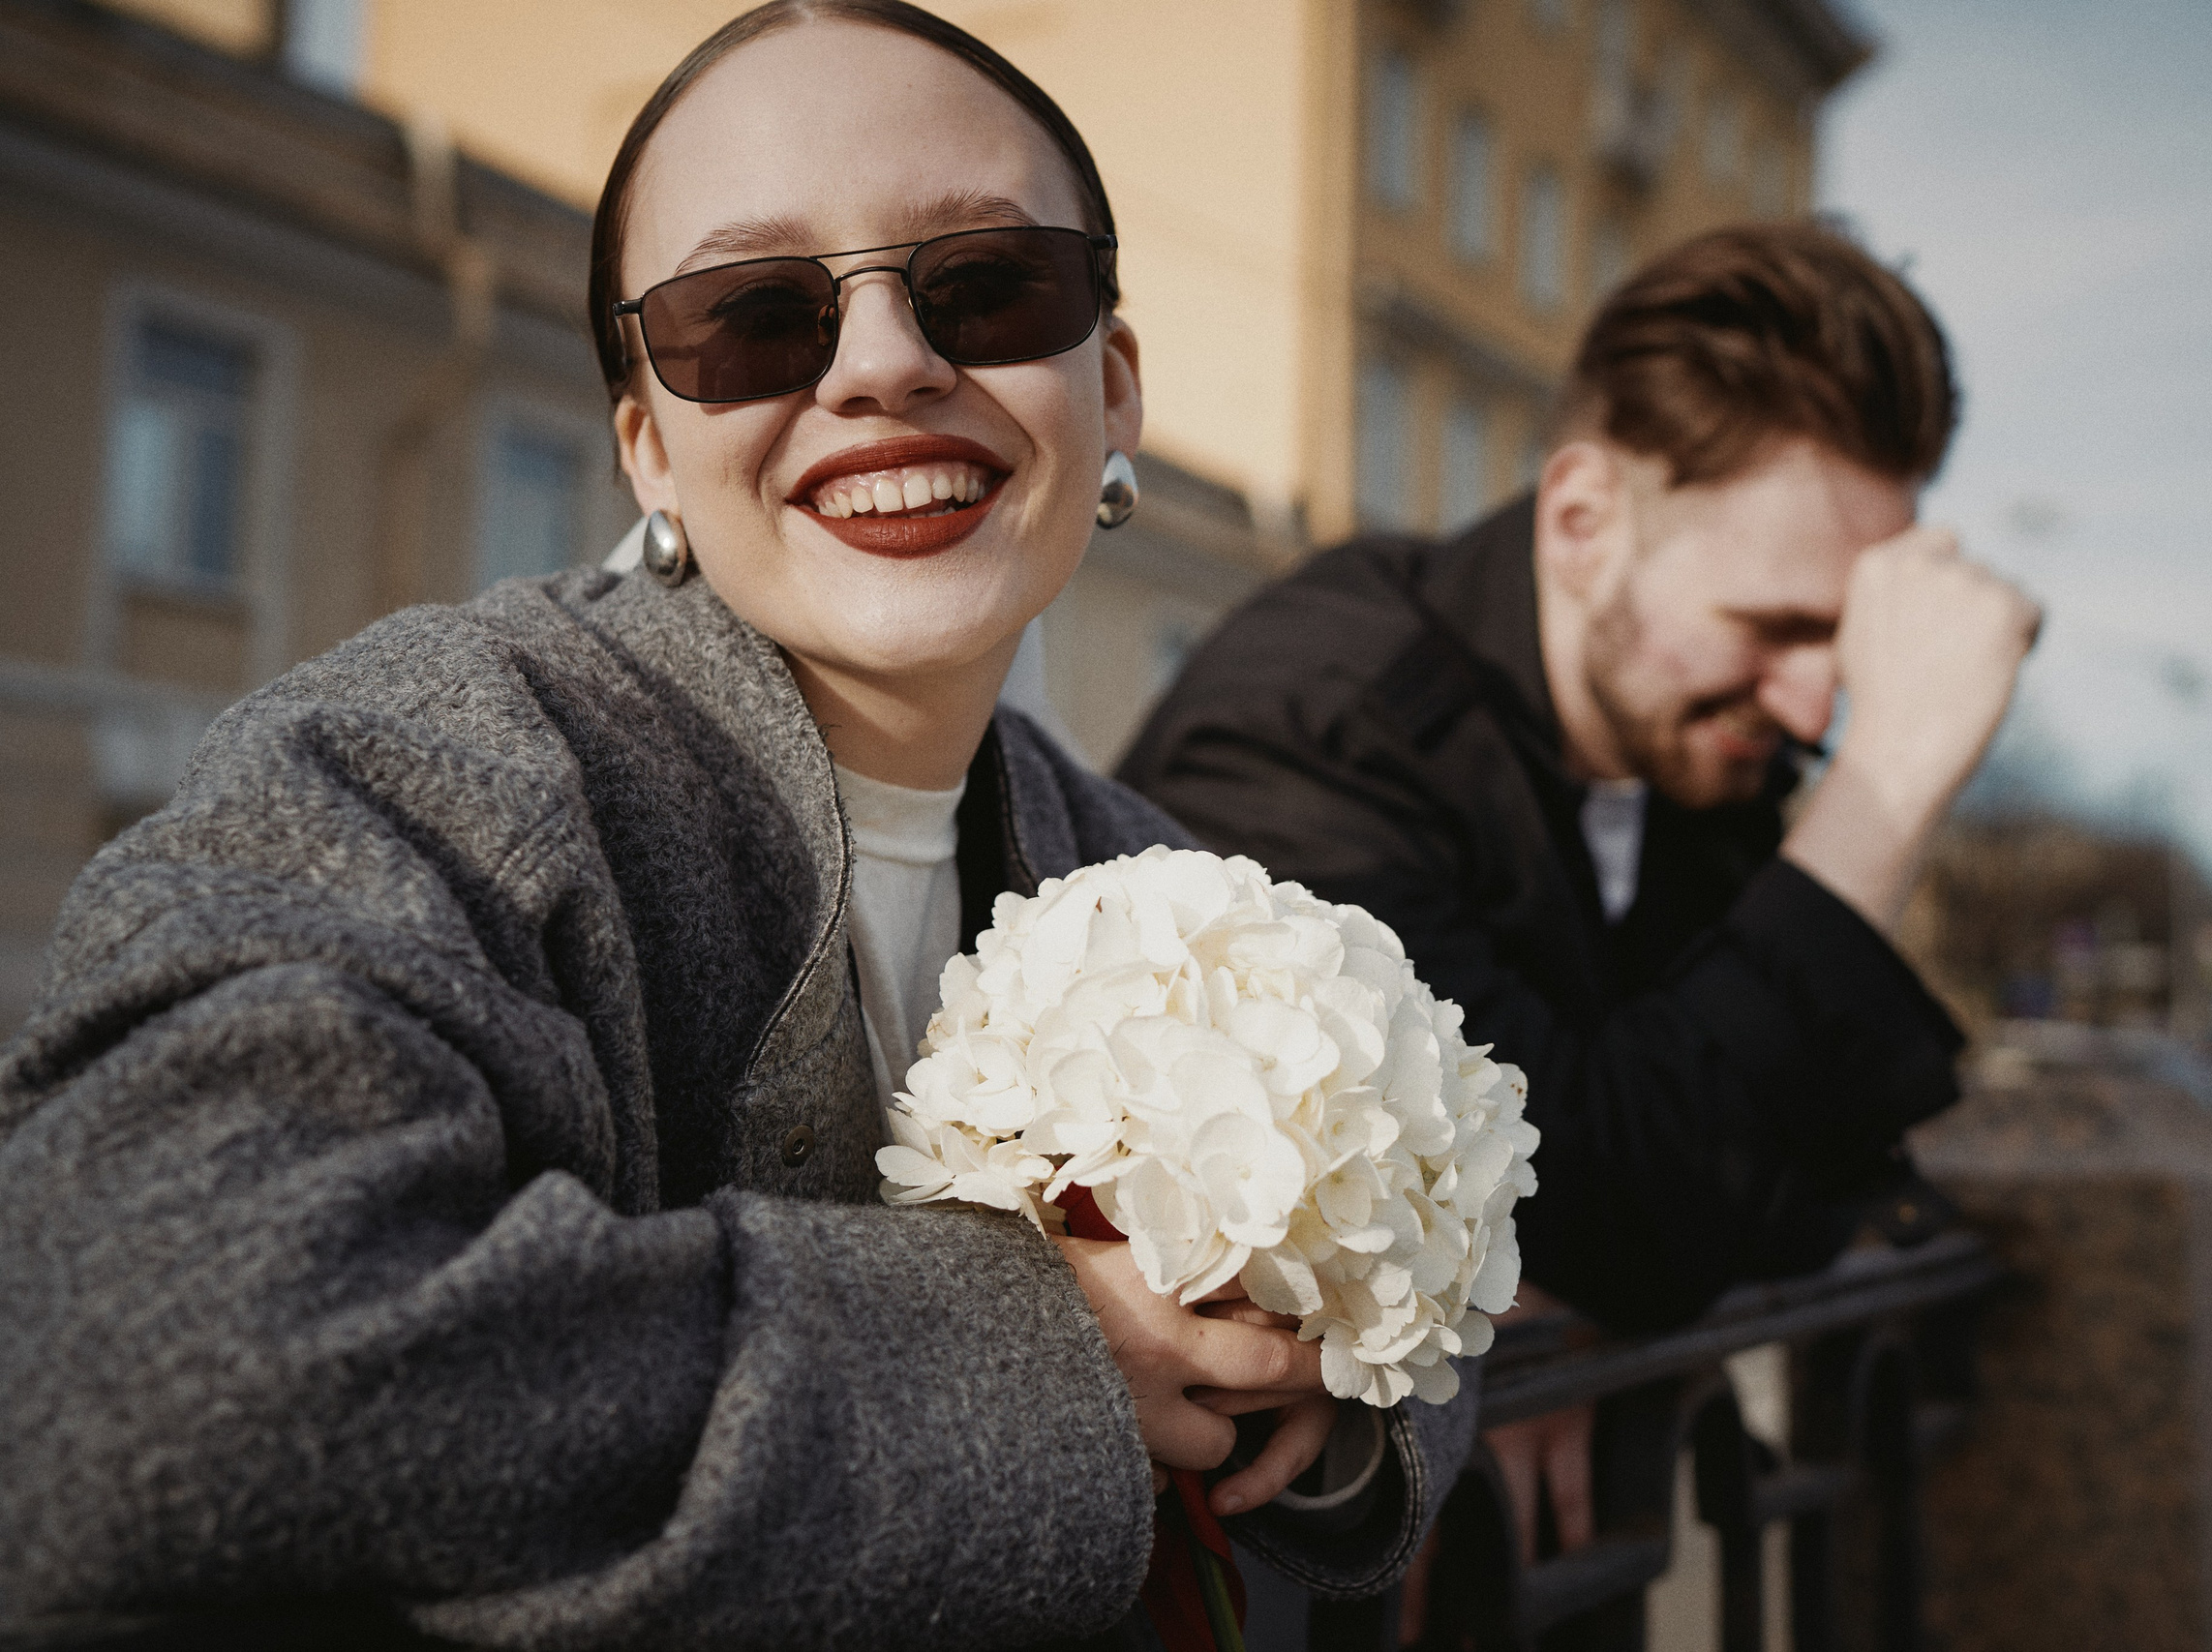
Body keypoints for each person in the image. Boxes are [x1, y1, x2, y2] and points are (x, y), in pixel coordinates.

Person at [0, 6, 1470, 1647]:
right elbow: (135, 1363)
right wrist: (1038, 1360)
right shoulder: (420, 765)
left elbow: (1431, 1324)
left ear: (1108, 385)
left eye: (987, 284)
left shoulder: (1152, 868)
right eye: (752, 318)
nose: (883, 364)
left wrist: (1324, 1402)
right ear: (650, 446)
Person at [1120, 224, 2039, 1573]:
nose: (1810, 704)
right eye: (1777, 626)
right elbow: (1632, 1211)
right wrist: (1889, 786)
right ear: (1582, 520)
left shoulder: (1697, 760)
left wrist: (1543, 1269)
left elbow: (1802, 1184)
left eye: (1845, 648)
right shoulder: (1317, 727)